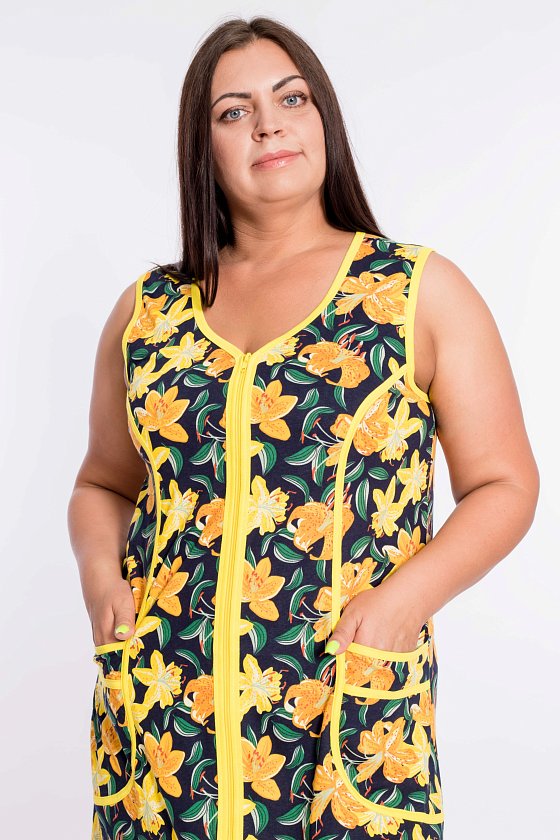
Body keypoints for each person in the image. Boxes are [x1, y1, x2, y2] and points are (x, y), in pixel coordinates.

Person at [67, 15, 539, 840]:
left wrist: (400, 606)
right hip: (165, 731)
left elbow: (505, 484)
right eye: (234, 110)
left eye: (291, 99)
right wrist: (102, 581)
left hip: (344, 715)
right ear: (202, 146)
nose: (268, 124)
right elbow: (103, 482)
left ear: (324, 118)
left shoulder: (414, 292)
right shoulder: (148, 314)